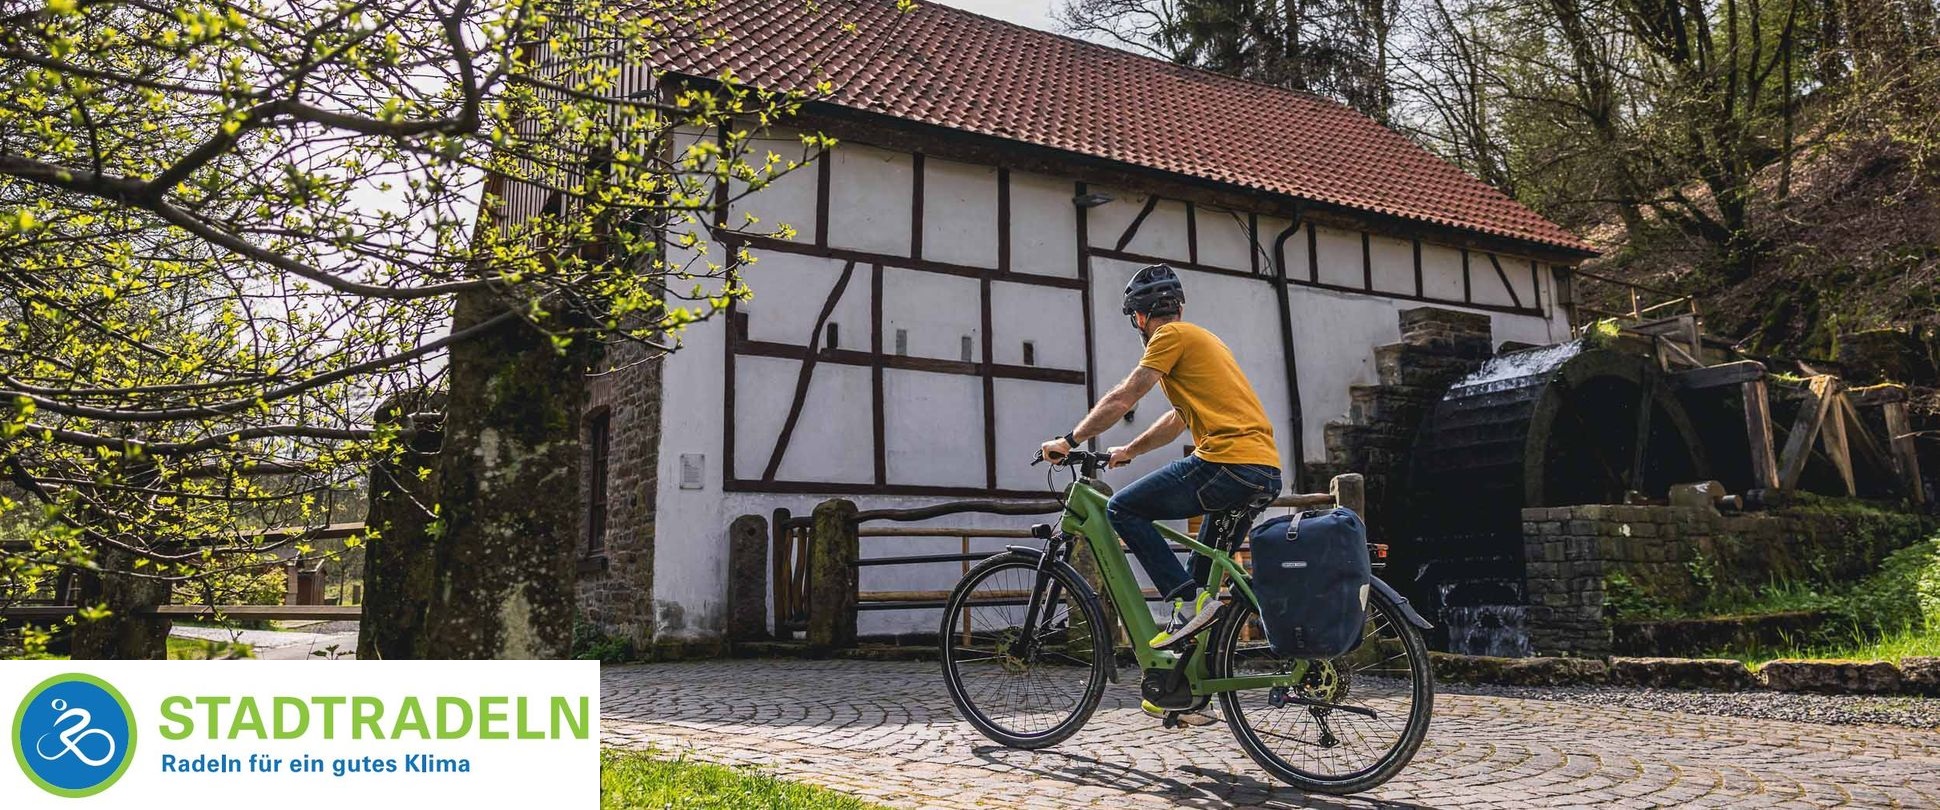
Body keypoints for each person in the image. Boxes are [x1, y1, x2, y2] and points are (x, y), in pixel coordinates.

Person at [1038, 263, 1282, 722]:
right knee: (1203, 575)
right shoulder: (1207, 343)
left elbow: (1124, 397)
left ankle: (1185, 600)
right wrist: (1128, 450)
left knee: (1124, 508)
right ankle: (1183, 692)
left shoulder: (1168, 338)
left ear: (1139, 318)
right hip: (1261, 470)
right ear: (1179, 306)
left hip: (1227, 463)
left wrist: (1069, 441)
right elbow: (1176, 420)